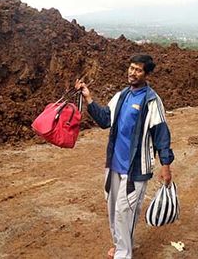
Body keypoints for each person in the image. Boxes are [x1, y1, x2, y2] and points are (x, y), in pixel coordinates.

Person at [75, 54, 174, 259]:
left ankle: (123, 254)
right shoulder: (122, 95)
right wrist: (88, 98)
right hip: (114, 163)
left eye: (138, 70)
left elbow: (161, 135)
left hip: (136, 168)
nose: (132, 72)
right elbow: (105, 120)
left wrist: (166, 165)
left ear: (146, 74)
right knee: (114, 209)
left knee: (124, 210)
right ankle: (121, 244)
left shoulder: (152, 101)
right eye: (131, 68)